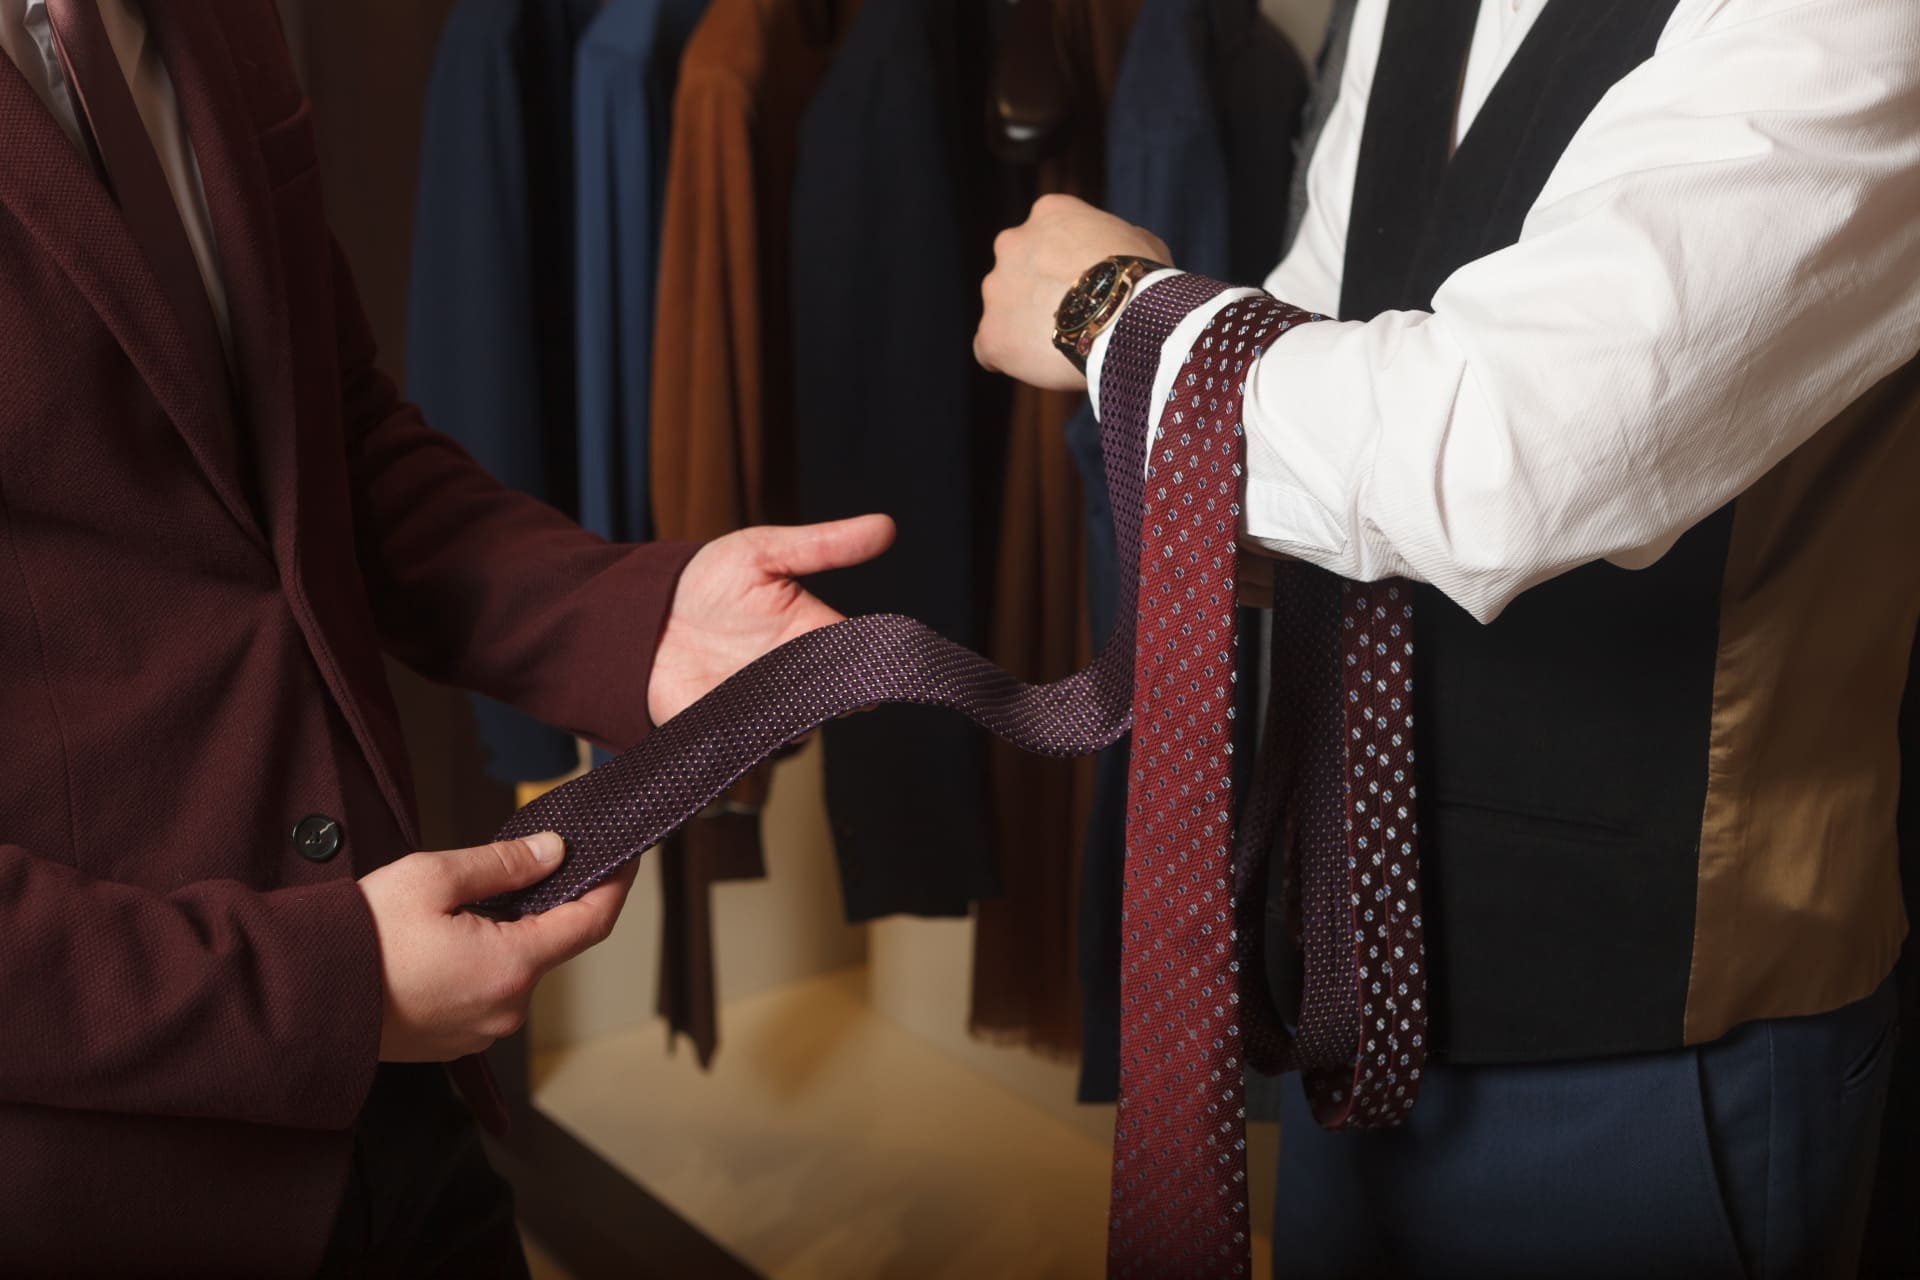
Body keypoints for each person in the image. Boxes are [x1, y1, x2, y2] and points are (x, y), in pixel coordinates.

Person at [977, 0, 1920, 1275]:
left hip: (1656, 1038)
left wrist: (1115, 315)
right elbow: (1319, 352)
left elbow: (1510, 452)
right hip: (1358, 986)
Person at [0, 1, 890, 1275]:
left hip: (402, 1102)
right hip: (97, 1174)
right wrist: (329, 985)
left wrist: (629, 618)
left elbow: (330, 439)